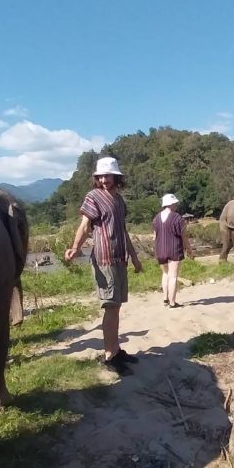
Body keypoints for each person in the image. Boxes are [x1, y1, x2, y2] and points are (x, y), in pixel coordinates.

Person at [64, 157, 142, 375]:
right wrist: (75, 247)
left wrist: (134, 257)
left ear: (116, 177)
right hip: (104, 258)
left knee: (116, 306)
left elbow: (123, 230)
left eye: (107, 175)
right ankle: (109, 356)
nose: (104, 179)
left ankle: (115, 349)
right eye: (100, 176)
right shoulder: (93, 197)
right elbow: (85, 225)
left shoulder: (119, 200)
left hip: (119, 259)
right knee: (110, 306)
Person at [152, 193, 194, 308]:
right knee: (173, 276)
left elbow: (154, 236)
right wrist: (190, 250)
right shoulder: (177, 218)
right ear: (170, 204)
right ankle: (172, 302)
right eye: (174, 203)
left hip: (160, 249)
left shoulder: (156, 219)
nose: (176, 205)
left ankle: (165, 299)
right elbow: (184, 237)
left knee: (165, 274)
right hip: (174, 249)